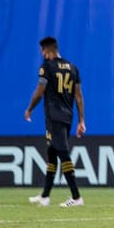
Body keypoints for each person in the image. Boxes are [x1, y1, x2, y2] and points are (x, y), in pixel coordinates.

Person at [24, 37, 86, 207]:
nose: (42, 55)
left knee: (63, 153)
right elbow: (78, 96)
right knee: (52, 153)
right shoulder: (73, 68)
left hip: (54, 116)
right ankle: (45, 197)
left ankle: (76, 197)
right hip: (67, 116)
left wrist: (29, 109)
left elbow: (40, 91)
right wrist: (81, 120)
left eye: (42, 52)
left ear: (48, 50)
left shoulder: (47, 67)